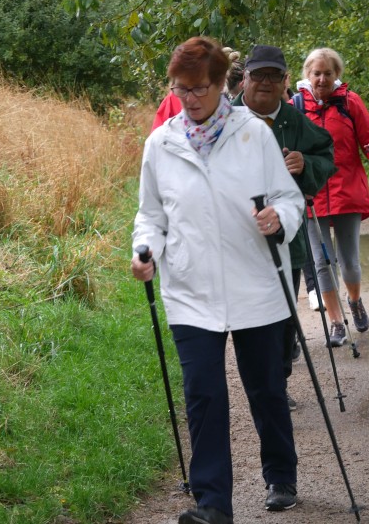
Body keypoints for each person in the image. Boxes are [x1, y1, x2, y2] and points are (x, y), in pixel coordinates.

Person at [131, 37, 304, 523]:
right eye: (181, 89)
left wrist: (279, 219)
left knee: (266, 387)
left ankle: (281, 474)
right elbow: (151, 216)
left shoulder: (253, 134)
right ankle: (212, 505)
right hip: (191, 290)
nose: (190, 98)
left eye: (200, 88)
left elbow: (291, 201)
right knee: (203, 394)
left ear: (223, 83)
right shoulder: (160, 143)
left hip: (258, 286)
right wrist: (144, 252)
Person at [232, 45, 336, 411]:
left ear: (284, 81)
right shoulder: (224, 118)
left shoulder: (294, 120)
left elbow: (327, 155)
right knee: (247, 318)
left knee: (284, 316)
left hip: (286, 240)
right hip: (235, 241)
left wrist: (305, 163)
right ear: (244, 78)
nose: (264, 83)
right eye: (258, 75)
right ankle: (259, 385)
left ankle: (276, 386)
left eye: (273, 76)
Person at [295, 47, 369, 346]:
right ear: (307, 75)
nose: (322, 79)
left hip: (347, 190)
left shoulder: (350, 101)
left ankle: (355, 300)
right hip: (313, 194)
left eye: (328, 73)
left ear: (337, 75)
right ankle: (335, 322)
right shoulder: (296, 106)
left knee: (349, 262)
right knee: (322, 262)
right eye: (316, 73)